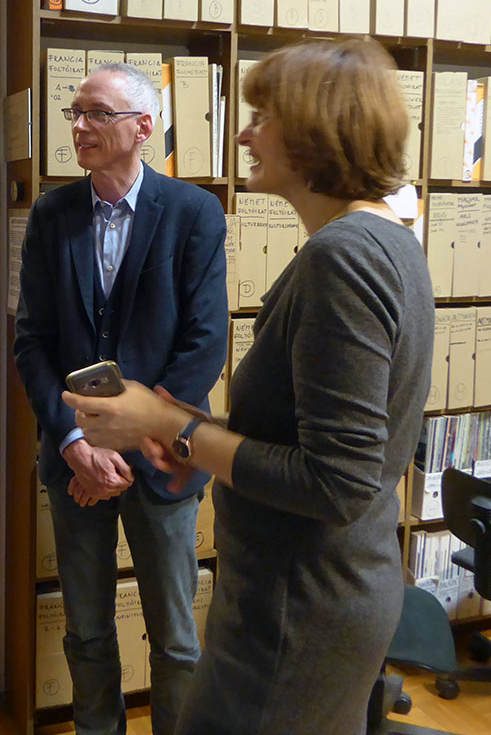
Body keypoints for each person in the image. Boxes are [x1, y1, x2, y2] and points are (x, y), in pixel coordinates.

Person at [65, 39, 434, 735]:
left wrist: (173, 425)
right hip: (319, 594)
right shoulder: (388, 241)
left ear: (317, 129)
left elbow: (337, 483)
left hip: (300, 609)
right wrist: (196, 445)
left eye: (263, 115)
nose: (243, 133)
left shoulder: (345, 260)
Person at [15, 62, 229, 735]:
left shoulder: (194, 213)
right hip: (74, 460)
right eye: (74, 113)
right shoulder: (52, 216)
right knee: (86, 632)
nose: (78, 126)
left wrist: (132, 442)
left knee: (175, 638)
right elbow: (32, 343)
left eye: (96, 114)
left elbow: (205, 344)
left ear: (143, 126)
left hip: (161, 462)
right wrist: (78, 444)